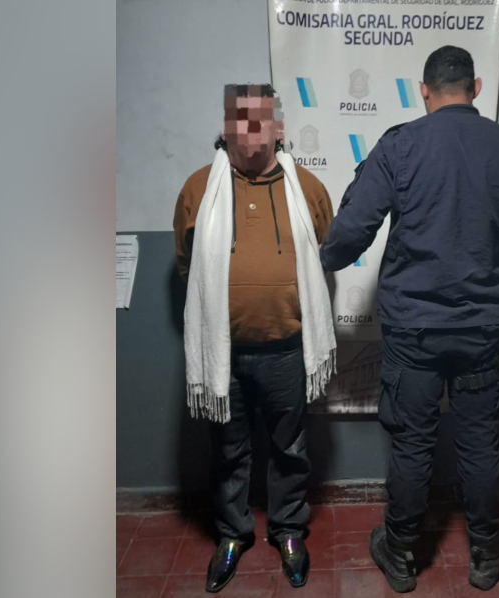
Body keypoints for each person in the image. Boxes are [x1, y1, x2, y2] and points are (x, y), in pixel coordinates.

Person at [320, 46, 499, 593]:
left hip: (413, 330)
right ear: (475, 86)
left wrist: (320, 263)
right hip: (483, 329)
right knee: (479, 440)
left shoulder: (400, 145)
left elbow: (352, 230)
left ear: (423, 90)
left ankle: (400, 554)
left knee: (412, 443)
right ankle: (487, 552)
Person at [174, 83, 337, 593]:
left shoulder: (306, 188)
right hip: (224, 354)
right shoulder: (198, 189)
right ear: (225, 129)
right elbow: (186, 263)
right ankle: (232, 533)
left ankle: (288, 530)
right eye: (238, 119)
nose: (248, 130)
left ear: (278, 128)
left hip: (287, 349)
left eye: (259, 119)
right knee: (228, 451)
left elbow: (324, 252)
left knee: (290, 449)